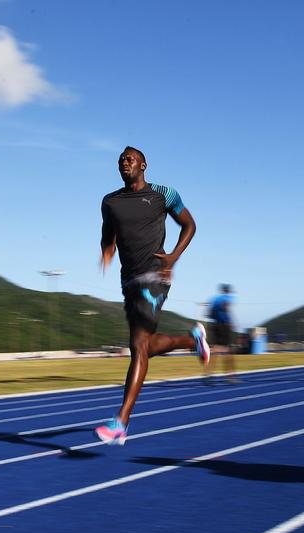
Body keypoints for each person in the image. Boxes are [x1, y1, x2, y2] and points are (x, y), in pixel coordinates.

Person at [94, 146, 210, 445]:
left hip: (155, 276)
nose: (124, 161)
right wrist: (106, 254)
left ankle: (121, 422)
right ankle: (191, 339)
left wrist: (173, 257)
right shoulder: (110, 201)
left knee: (137, 346)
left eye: (130, 158)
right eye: (121, 159)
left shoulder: (163, 194)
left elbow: (189, 224)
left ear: (143, 164)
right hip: (129, 281)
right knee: (144, 346)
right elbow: (109, 235)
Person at [207, 283, 238, 382]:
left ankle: (210, 374)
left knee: (215, 350)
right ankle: (230, 376)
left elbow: (208, 314)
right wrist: (231, 322)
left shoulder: (214, 299)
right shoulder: (227, 298)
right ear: (227, 291)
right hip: (225, 325)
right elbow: (226, 307)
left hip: (215, 325)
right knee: (229, 350)